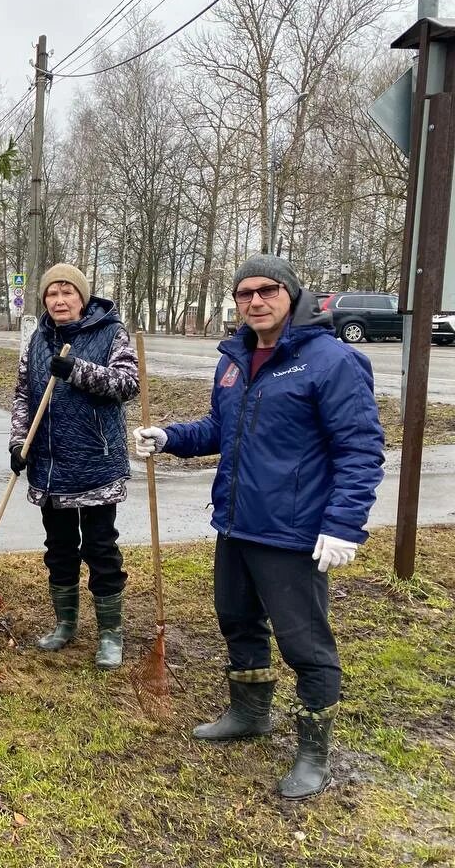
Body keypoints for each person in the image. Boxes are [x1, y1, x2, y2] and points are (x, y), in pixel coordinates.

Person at [132, 254, 385, 800]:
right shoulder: (234, 360)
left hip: (293, 533)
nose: (255, 301)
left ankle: (314, 752)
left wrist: (344, 523)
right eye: (244, 293)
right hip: (237, 524)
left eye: (267, 290)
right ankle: (251, 713)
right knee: (237, 621)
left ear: (291, 294)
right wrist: (170, 438)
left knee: (305, 643)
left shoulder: (330, 362)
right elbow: (221, 429)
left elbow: (361, 449)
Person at [9, 263, 139, 669]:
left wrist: (77, 371)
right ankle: (65, 624)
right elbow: (22, 394)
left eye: (68, 293)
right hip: (50, 466)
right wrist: (18, 441)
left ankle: (110, 634)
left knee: (101, 549)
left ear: (82, 299)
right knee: (59, 548)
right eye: (52, 294)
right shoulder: (37, 339)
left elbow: (127, 384)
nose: (60, 300)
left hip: (96, 463)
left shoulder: (111, 333)